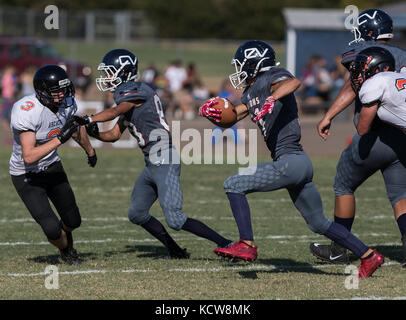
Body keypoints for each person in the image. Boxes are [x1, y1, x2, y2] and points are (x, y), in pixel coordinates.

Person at [199, 40, 383, 278]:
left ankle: (246, 243)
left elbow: (293, 82)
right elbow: (234, 115)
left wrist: (272, 99)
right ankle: (369, 256)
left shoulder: (272, 77)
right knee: (318, 223)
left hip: (290, 162)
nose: (239, 70)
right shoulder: (250, 92)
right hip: (298, 163)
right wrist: (215, 114)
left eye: (241, 64)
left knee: (233, 184)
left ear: (255, 63)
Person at [74, 49, 232, 259]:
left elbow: (113, 112)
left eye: (110, 72)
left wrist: (89, 119)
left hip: (165, 159)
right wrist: (95, 133)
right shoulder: (129, 98)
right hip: (152, 163)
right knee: (137, 213)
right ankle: (176, 251)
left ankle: (227, 244)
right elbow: (113, 134)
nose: (106, 77)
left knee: (175, 219)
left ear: (124, 72)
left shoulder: (135, 90)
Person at [310, 9, 406, 267]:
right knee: (400, 195)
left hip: (373, 135)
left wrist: (328, 115)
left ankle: (339, 248)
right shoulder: (403, 56)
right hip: (401, 139)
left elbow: (354, 85)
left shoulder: (363, 51)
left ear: (369, 31)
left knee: (343, 185)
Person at [9, 65, 97, 265]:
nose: (63, 95)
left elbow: (75, 129)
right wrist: (59, 140)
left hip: (52, 166)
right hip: (27, 174)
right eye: (58, 91)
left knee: (74, 221)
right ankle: (67, 250)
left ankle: (65, 242)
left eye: (65, 89)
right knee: (51, 229)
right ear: (43, 92)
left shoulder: (66, 104)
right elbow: (29, 156)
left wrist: (90, 150)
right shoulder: (27, 110)